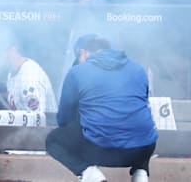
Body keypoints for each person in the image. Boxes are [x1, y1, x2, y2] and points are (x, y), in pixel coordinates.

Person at [46, 34, 157, 182]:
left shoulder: (77, 72)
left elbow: (64, 119)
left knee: (53, 140)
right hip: (143, 151)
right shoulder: (138, 69)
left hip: (100, 150)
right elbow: (140, 107)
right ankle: (141, 174)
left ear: (83, 52)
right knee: (140, 127)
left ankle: (93, 177)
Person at [0, 28, 58, 113]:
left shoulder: (29, 77)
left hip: (44, 125)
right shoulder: (12, 73)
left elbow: (36, 120)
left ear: (12, 51)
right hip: (23, 125)